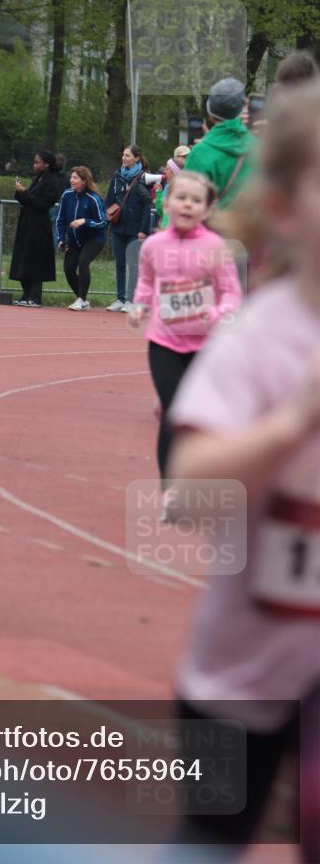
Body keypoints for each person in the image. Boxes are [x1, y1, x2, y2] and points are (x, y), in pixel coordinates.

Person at [165, 80, 320, 863]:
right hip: (239, 676)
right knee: (209, 837)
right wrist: (292, 424)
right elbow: (189, 491)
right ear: (287, 210)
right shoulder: (262, 337)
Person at [129, 170, 242, 479]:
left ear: (206, 210)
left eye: (196, 200)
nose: (187, 205)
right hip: (164, 341)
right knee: (174, 412)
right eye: (181, 198)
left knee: (196, 416)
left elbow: (232, 294)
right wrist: (140, 306)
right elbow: (146, 284)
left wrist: (216, 315)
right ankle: (170, 488)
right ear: (167, 204)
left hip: (205, 345)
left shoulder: (216, 247)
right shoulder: (153, 246)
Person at [184, 77, 255, 208]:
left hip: (212, 226)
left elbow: (186, 205)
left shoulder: (200, 153)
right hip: (250, 227)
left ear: (210, 113)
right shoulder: (262, 148)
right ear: (244, 106)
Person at [9, 150, 61, 307]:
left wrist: (25, 193)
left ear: (46, 164)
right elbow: (28, 200)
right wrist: (20, 192)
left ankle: (35, 297)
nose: (34, 165)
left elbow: (42, 204)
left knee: (35, 261)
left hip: (39, 227)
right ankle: (26, 295)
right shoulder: (38, 178)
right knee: (23, 260)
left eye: (37, 162)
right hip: (27, 224)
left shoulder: (52, 181)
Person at [105, 143, 152, 312]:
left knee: (134, 265)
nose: (124, 158)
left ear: (136, 158)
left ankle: (132, 300)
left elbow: (147, 204)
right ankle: (120, 298)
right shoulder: (117, 175)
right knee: (119, 263)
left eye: (128, 155)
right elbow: (109, 198)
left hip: (136, 228)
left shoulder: (144, 177)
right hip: (119, 227)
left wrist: (143, 230)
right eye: (123, 155)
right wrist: (110, 214)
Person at [55, 166, 107, 311]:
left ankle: (81, 299)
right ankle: (83, 299)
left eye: (75, 178)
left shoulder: (93, 199)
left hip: (94, 239)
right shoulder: (67, 195)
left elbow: (103, 222)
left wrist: (85, 221)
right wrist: (61, 239)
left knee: (83, 262)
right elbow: (60, 219)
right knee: (68, 269)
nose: (71, 180)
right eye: (71, 177)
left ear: (84, 181)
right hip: (73, 240)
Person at [154, 145, 190, 230]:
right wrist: (159, 194)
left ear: (174, 171)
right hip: (166, 231)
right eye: (184, 156)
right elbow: (161, 211)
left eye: (167, 169)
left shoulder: (187, 187)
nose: (164, 171)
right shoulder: (167, 187)